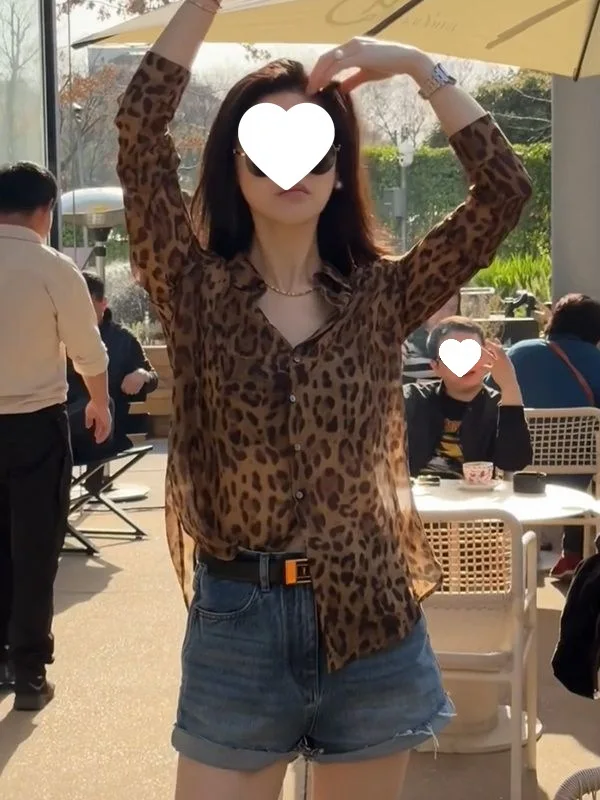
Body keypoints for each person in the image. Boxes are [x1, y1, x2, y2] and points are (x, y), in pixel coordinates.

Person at [115, 2, 532, 797]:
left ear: (339, 170)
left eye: (314, 148)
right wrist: (201, 6)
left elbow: (504, 192)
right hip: (239, 616)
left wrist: (419, 67)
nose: (290, 168)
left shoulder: (382, 295)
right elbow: (140, 133)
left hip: (371, 613)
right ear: (235, 168)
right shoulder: (192, 287)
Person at [0, 161, 111, 710]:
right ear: (45, 211)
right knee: (36, 548)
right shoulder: (53, 268)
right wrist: (99, 401)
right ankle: (28, 673)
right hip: (35, 425)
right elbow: (88, 350)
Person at [508, 293, 600, 580]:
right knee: (588, 453)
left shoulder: (518, 353)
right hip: (580, 470)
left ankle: (512, 555)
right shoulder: (596, 360)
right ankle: (573, 554)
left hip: (521, 465)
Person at [404, 317, 532, 479]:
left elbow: (515, 462)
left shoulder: (499, 405)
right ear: (435, 366)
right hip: (422, 491)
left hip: (477, 492)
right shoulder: (414, 398)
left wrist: (509, 384)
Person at [67, 271, 158, 465]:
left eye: (87, 305)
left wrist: (141, 374)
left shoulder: (123, 340)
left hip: (104, 433)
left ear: (103, 303)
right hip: (66, 428)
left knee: (101, 403)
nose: (80, 313)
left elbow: (152, 378)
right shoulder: (60, 337)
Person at [401, 292, 460, 384]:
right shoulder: (407, 337)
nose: (446, 314)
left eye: (452, 308)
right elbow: (392, 377)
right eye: (440, 307)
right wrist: (430, 386)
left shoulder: (463, 338)